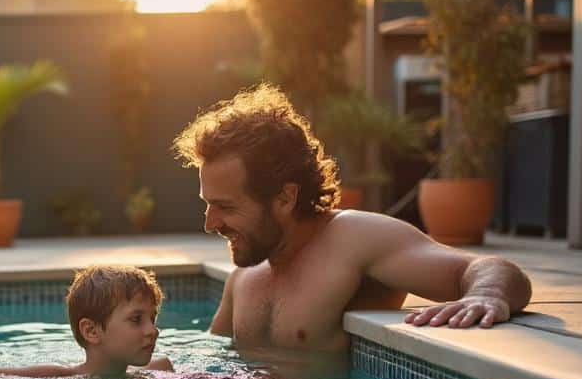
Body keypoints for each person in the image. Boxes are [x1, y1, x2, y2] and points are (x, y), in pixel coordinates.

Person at [172, 84, 532, 352]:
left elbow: (492, 269)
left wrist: (485, 295)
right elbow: (211, 364)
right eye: (208, 204)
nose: (210, 223)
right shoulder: (245, 274)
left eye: (226, 207)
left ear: (285, 197)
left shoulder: (353, 239)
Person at [0, 265, 174, 377]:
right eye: (136, 319)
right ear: (91, 331)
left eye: (152, 317)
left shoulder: (160, 369)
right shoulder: (58, 378)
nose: (153, 330)